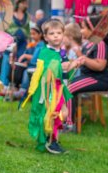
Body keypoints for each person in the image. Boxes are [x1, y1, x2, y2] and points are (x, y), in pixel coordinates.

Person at [22, 19, 75, 154]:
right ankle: (51, 141)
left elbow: (65, 69)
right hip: (48, 90)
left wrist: (75, 64)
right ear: (45, 37)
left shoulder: (62, 52)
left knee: (62, 113)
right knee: (53, 113)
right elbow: (47, 70)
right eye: (52, 33)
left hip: (59, 88)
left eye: (59, 33)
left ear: (63, 34)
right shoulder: (45, 51)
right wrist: (59, 66)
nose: (56, 36)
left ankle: (52, 138)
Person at [67, 16, 108, 127]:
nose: (81, 31)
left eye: (83, 28)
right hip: (88, 77)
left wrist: (84, 59)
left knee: (69, 89)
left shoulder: (100, 44)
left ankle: (69, 124)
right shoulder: (89, 45)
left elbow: (100, 66)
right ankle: (73, 118)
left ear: (92, 29)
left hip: (98, 79)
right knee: (66, 85)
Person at [0, 0, 30, 90]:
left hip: (23, 43)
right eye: (23, 3)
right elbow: (4, 27)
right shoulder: (10, 14)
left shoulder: (26, 16)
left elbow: (28, 29)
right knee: (7, 60)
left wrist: (28, 40)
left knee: (19, 61)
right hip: (11, 41)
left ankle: (15, 84)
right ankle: (4, 84)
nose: (25, 5)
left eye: (26, 3)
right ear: (18, 3)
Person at [13, 26, 45, 99]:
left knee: (26, 72)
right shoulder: (31, 44)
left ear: (40, 34)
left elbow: (36, 58)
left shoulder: (41, 45)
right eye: (31, 34)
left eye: (34, 34)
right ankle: (17, 88)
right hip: (30, 65)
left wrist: (25, 56)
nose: (32, 36)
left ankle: (23, 91)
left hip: (35, 66)